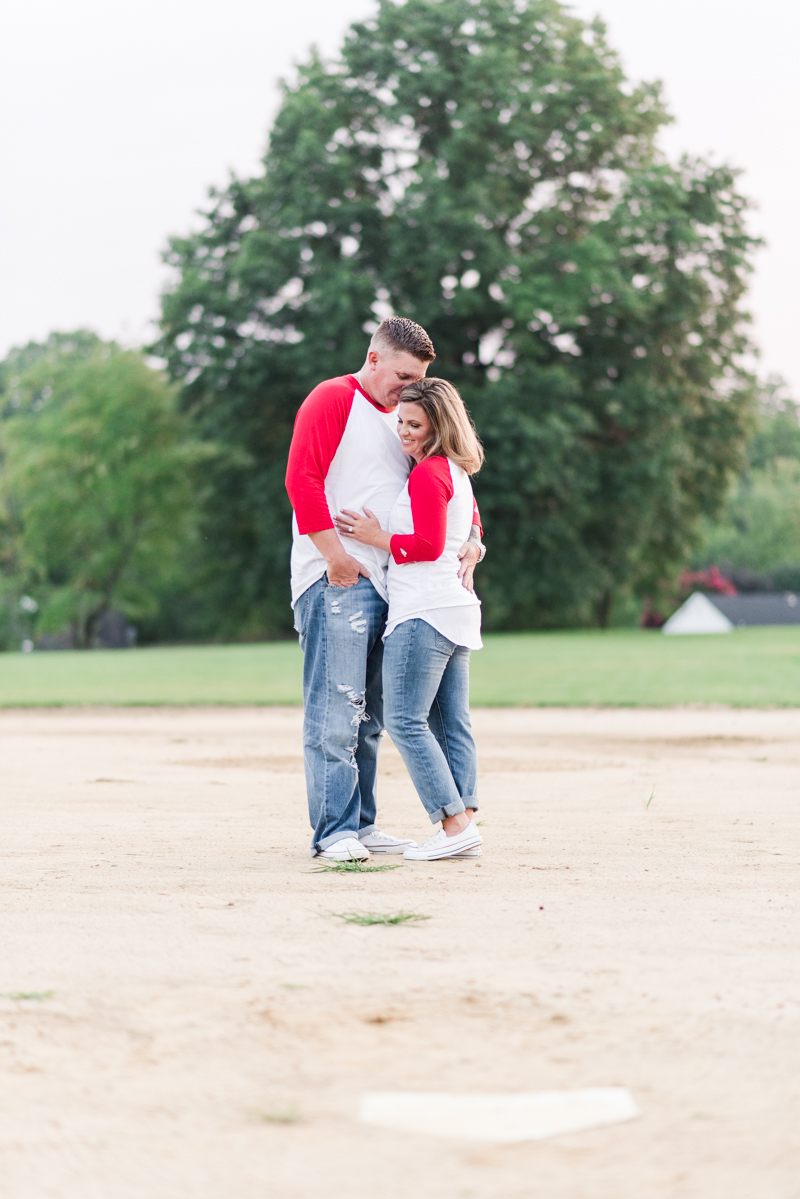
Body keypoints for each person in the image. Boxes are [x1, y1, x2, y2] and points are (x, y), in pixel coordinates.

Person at [285, 319, 485, 860]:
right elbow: (301, 479)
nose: (408, 386)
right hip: (339, 578)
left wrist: (474, 540)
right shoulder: (332, 399)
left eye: (418, 378)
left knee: (371, 715)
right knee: (337, 708)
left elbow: (445, 481)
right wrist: (335, 558)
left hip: (397, 587)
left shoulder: (408, 421)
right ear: (374, 359)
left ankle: (363, 823)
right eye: (401, 374)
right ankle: (333, 833)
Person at [334, 378, 484, 861]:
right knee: (451, 721)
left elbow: (425, 546)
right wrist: (477, 541)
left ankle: (452, 822)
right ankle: (461, 826)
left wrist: (375, 536)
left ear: (438, 427)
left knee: (404, 719)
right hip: (455, 611)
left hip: (423, 611)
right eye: (400, 421)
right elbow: (466, 528)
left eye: (414, 425)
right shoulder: (454, 473)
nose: (403, 432)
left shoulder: (427, 474)